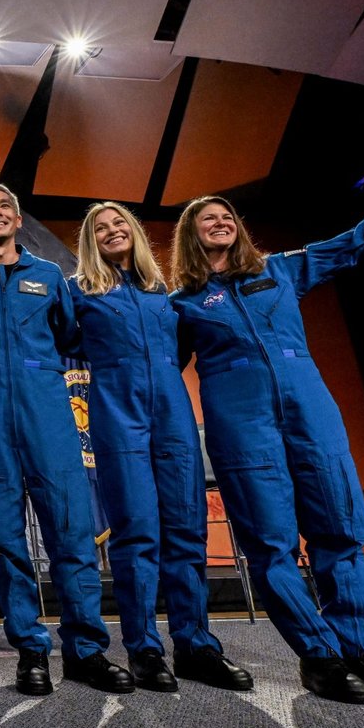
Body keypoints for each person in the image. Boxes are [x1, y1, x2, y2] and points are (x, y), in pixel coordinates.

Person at [169, 139, 364, 704]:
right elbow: (157, 370)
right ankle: (318, 656)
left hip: (312, 416)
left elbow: (363, 238)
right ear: (191, 235)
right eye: (206, 218)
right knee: (271, 545)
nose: (220, 221)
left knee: (340, 531)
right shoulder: (182, 302)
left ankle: (360, 651)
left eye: (227, 214)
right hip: (242, 427)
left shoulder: (282, 271)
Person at [0, 183, 133, 695]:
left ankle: (85, 651)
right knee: (4, 544)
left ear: (18, 220)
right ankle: (31, 651)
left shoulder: (49, 276)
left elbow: (70, 336)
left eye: (5, 206)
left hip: (47, 414)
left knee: (71, 537)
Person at [68, 203, 251, 693]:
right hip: (116, 416)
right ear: (91, 241)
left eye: (118, 223)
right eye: (100, 227)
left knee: (187, 530)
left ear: (135, 233)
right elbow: (58, 344)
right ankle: (145, 649)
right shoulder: (79, 294)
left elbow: (187, 347)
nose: (111, 231)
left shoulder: (165, 295)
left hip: (173, 416)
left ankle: (195, 646)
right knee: (136, 534)